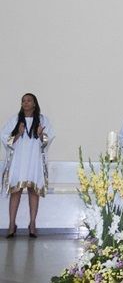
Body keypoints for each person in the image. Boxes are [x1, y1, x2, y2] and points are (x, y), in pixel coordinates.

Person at [1, 93, 55, 238]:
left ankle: (32, 224)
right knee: (15, 192)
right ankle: (12, 224)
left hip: (34, 160)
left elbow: (47, 141)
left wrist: (41, 134)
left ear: (34, 103)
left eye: (29, 100)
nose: (25, 103)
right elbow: (6, 140)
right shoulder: (15, 120)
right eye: (23, 101)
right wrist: (18, 133)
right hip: (19, 161)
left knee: (33, 191)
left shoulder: (42, 120)